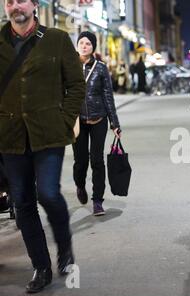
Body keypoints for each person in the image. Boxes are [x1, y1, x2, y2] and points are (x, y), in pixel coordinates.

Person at [0, 0, 85, 292]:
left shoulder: (57, 40)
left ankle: (64, 248)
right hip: (10, 136)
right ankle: (41, 266)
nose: (14, 5)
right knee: (22, 201)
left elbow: (76, 85)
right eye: (9, 1)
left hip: (48, 132)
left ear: (35, 4)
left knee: (48, 193)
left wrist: (64, 120)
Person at [74, 31, 121, 216]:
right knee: (80, 162)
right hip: (78, 122)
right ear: (77, 45)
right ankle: (80, 185)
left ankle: (97, 201)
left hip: (98, 119)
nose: (84, 46)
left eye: (88, 43)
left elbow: (108, 96)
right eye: (81, 43)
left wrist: (114, 123)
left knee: (97, 161)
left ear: (93, 47)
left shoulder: (101, 68)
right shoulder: (70, 66)